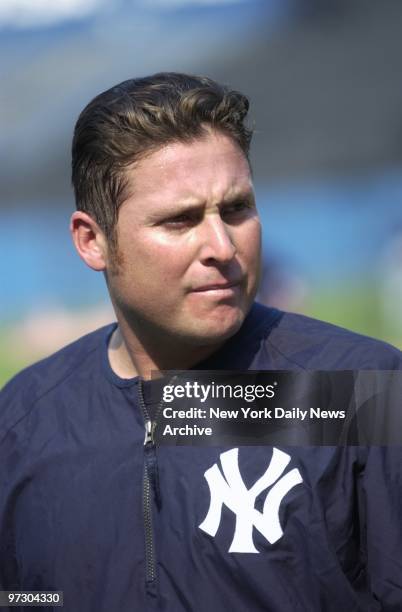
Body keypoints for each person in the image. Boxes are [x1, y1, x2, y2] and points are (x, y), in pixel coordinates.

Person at [1, 73, 402, 612]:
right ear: (92, 241)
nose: (221, 245)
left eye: (236, 209)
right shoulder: (24, 423)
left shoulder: (363, 394)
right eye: (180, 220)